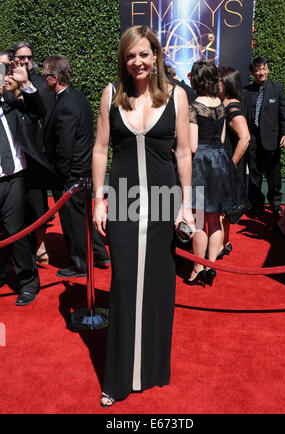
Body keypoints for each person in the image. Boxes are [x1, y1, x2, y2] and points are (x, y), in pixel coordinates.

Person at [92, 25, 193, 407]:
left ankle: (151, 369)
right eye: (131, 55)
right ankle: (117, 378)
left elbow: (184, 153)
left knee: (159, 288)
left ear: (156, 56)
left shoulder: (177, 96)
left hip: (165, 200)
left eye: (144, 54)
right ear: (124, 58)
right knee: (123, 284)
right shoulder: (110, 95)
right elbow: (101, 148)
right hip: (122, 200)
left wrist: (186, 203)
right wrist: (99, 199)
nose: (138, 61)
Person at [42, 54, 109, 277]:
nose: (44, 81)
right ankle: (99, 253)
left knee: (73, 223)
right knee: (82, 218)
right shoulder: (78, 96)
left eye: (45, 76)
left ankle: (80, 264)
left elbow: (65, 148)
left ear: (54, 77)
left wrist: (59, 175)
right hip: (81, 172)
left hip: (72, 175)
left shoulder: (67, 104)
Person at [184, 60, 248, 287]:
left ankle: (197, 268)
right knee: (215, 220)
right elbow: (221, 140)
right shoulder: (221, 105)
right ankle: (211, 266)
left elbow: (192, 146)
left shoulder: (193, 107)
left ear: (196, 80)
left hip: (201, 163)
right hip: (220, 162)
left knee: (200, 219)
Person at [0, 61, 48, 305]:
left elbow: (38, 110)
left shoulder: (11, 104)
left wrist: (26, 83)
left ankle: (28, 282)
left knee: (16, 232)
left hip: (13, 180)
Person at [7, 41, 57, 263]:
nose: (25, 61)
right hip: (12, 158)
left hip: (35, 154)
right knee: (16, 210)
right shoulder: (5, 84)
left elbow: (42, 113)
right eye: (21, 57)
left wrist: (24, 86)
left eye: (28, 57)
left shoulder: (39, 83)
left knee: (38, 207)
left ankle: (40, 247)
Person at [244, 56, 285, 216]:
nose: (261, 72)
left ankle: (275, 203)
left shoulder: (277, 89)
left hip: (272, 140)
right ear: (252, 73)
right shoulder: (246, 91)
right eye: (257, 69)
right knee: (254, 174)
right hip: (252, 139)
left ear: (268, 70)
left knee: (274, 175)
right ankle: (256, 204)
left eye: (264, 68)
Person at [217, 66, 250, 259]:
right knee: (225, 210)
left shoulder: (231, 106)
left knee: (221, 210)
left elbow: (245, 138)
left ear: (227, 83)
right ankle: (224, 242)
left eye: (218, 81)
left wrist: (231, 164)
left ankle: (219, 246)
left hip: (228, 167)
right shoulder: (228, 104)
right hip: (228, 166)